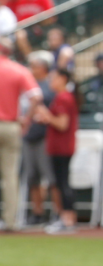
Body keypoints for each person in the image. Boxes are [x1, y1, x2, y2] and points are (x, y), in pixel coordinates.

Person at [0, 37, 41, 231]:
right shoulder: (19, 69)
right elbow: (36, 96)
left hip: (8, 123)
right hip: (11, 125)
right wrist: (26, 119)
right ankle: (10, 221)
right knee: (10, 175)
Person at [36, 69, 78, 234]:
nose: (50, 81)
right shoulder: (63, 97)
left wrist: (46, 115)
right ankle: (66, 219)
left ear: (62, 79)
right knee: (61, 183)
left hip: (62, 147)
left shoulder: (63, 97)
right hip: (59, 147)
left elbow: (62, 124)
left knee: (62, 183)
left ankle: (67, 220)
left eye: (54, 78)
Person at [21, 50, 56, 226]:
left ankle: (57, 213)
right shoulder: (28, 84)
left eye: (34, 66)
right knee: (32, 177)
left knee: (51, 177)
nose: (31, 69)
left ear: (42, 67)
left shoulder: (50, 85)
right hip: (29, 135)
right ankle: (37, 213)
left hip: (45, 136)